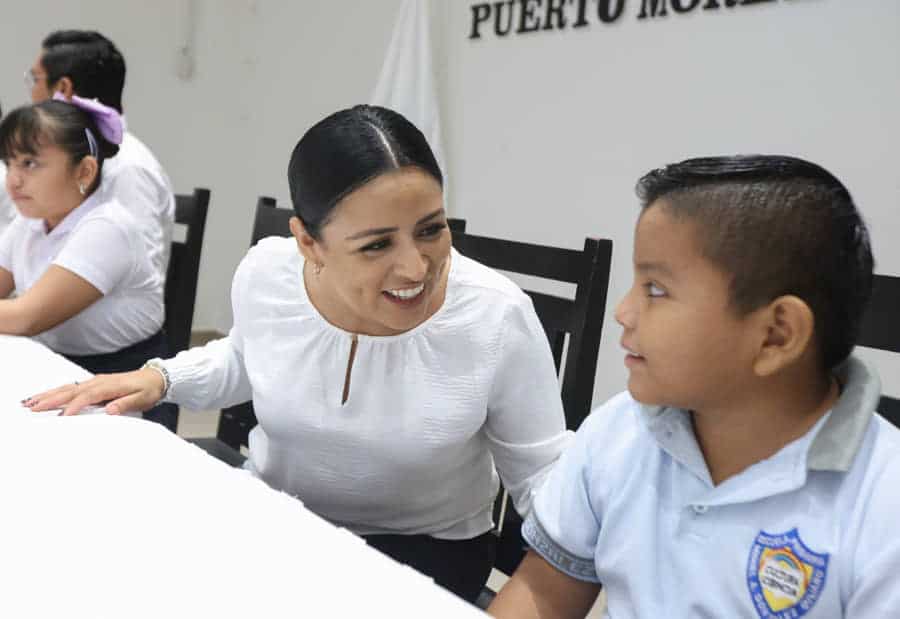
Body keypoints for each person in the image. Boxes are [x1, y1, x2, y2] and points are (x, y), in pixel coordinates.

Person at [27, 105, 571, 603]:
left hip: (420, 553)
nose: (416, 268)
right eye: (377, 244)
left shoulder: (496, 316)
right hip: (275, 519)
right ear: (308, 243)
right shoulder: (270, 273)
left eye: (431, 229)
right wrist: (161, 378)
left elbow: (543, 477)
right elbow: (248, 357)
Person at [488, 155, 900, 618]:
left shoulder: (883, 505)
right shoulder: (620, 430)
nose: (623, 311)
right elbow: (545, 589)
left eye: (656, 289)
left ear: (775, 335)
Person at [27, 30, 177, 428]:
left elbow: (112, 267)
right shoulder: (55, 165)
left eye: (34, 81)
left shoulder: (127, 169)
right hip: (56, 350)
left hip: (112, 372)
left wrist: (25, 313)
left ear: (63, 88)